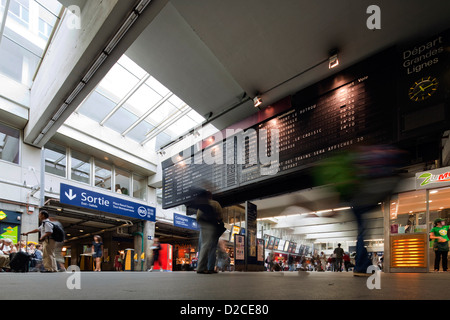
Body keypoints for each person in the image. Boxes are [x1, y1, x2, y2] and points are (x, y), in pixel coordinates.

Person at [195, 190, 224, 274]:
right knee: (212, 249)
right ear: (211, 196)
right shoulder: (215, 204)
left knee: (202, 247)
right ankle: (208, 268)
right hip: (212, 227)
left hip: (202, 228)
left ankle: (201, 267)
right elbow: (220, 217)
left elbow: (198, 217)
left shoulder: (202, 205)